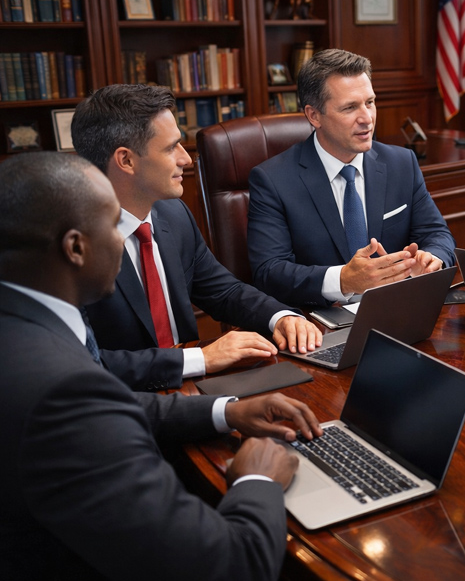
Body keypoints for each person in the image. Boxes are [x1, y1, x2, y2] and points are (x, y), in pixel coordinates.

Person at [0, 151, 324, 580]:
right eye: (113, 224)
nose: (126, 236)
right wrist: (257, 481)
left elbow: (108, 403)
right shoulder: (58, 393)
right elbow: (231, 565)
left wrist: (224, 411)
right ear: (75, 247)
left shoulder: (28, 319)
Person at [72, 84, 322, 392]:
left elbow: (223, 292)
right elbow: (83, 364)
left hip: (193, 390)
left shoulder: (173, 214)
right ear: (126, 161)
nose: (186, 160)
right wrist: (199, 359)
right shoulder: (71, 249)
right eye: (170, 148)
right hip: (123, 406)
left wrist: (279, 317)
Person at [248, 48, 456, 308]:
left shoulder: (402, 163)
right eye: (350, 108)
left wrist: (433, 257)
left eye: (370, 102)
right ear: (314, 116)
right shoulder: (272, 180)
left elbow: (436, 232)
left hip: (397, 310)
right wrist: (343, 280)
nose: (367, 119)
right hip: (320, 324)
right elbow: (269, 272)